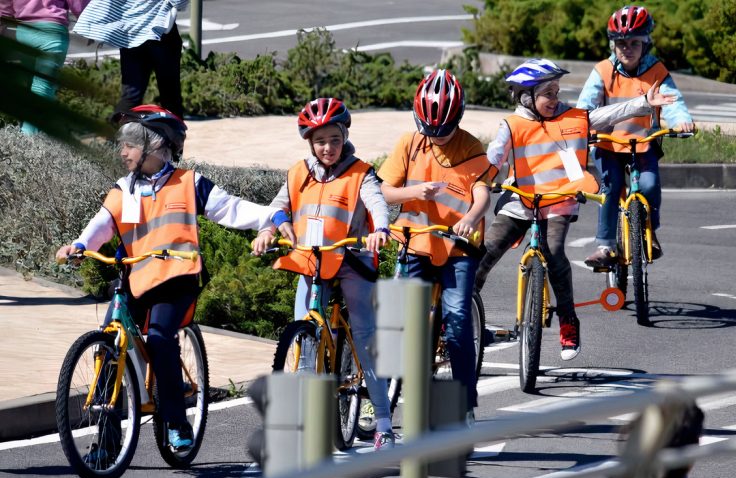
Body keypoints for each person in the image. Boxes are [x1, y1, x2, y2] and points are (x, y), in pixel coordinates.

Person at [56, 104, 282, 453]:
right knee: (107, 350)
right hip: (137, 280)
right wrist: (80, 245)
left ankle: (176, 421)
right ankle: (107, 440)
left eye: (130, 144)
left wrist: (272, 217)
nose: (122, 151)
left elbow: (233, 208)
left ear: (155, 147)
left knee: (160, 339)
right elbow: (103, 223)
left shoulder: (188, 183)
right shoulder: (124, 188)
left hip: (178, 279)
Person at [473, 58, 678, 360]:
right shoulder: (512, 125)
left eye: (557, 91)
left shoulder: (571, 118)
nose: (555, 99)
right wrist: (483, 181)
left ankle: (568, 321)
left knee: (554, 252)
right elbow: (493, 160)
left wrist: (644, 103)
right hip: (521, 202)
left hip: (558, 201)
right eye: (549, 93)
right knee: (483, 255)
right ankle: (458, 319)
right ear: (526, 97)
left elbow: (605, 115)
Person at [252, 98, 396, 450]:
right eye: (320, 141)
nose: (328, 147)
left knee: (364, 337)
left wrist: (381, 229)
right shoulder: (297, 173)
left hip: (352, 260)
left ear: (344, 136)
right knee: (304, 335)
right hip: (312, 262)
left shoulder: (361, 172)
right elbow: (277, 207)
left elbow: (377, 202)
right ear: (309, 142)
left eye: (334, 139)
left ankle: (383, 425)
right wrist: (273, 228)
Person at [377, 70, 495, 421]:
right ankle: (377, 398)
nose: (435, 136)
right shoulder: (409, 144)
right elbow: (384, 189)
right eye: (428, 128)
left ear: (458, 119)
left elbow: (482, 195)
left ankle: (463, 406)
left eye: (443, 130)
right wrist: (414, 192)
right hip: (415, 243)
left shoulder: (472, 147)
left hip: (458, 248)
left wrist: (470, 219)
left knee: (457, 321)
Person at [578, 5, 695, 268]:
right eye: (620, 43)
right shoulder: (602, 71)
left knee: (650, 186)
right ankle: (605, 246)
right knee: (610, 187)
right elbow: (585, 106)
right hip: (608, 145)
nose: (626, 48)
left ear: (646, 44)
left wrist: (680, 121)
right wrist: (580, 126)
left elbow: (672, 101)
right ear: (612, 45)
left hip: (642, 145)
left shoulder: (656, 71)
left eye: (634, 43)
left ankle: (650, 231)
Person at [72, 0, 187, 119]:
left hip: (130, 32)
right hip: (160, 28)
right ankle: (173, 134)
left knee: (131, 94)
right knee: (170, 94)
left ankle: (118, 132)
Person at [0, 0, 90, 134]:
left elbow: (4, 6)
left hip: (23, 32)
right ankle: (28, 141)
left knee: (30, 89)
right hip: (52, 32)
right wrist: (89, 23)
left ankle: (24, 140)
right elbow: (79, 4)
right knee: (42, 90)